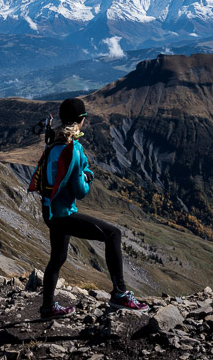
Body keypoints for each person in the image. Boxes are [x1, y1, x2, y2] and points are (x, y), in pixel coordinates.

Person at [34, 98, 149, 320]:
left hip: (49, 212)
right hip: (64, 214)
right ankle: (119, 294)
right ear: (80, 120)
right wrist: (88, 176)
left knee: (57, 258)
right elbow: (80, 191)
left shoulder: (54, 143)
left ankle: (47, 307)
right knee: (113, 234)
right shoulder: (72, 148)